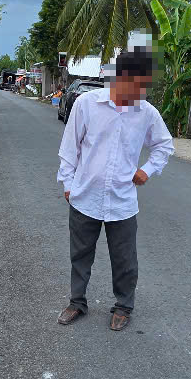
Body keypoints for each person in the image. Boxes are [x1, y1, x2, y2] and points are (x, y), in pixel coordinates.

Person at [57, 48, 174, 331]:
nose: (140, 91)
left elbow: (164, 145)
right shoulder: (86, 104)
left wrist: (147, 170)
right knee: (80, 254)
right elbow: (69, 147)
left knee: (124, 258)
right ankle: (77, 301)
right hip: (84, 197)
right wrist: (68, 184)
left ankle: (123, 306)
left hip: (122, 201)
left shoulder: (146, 112)